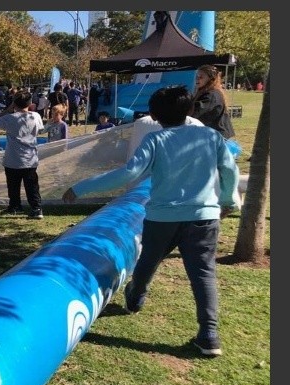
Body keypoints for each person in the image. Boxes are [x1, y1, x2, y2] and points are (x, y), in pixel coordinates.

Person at [61, 85, 239, 357]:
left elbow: (127, 173)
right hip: (203, 218)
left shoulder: (155, 141)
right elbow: (229, 170)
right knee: (203, 273)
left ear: (154, 117)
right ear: (191, 110)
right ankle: (209, 335)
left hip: (162, 219)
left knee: (148, 260)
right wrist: (228, 201)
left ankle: (135, 297)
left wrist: (81, 188)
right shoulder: (210, 137)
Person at [0, 92, 45, 219]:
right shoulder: (35, 116)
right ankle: (36, 208)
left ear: (14, 103)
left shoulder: (10, 118)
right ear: (30, 103)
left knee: (13, 186)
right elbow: (40, 129)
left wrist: (7, 110)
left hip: (13, 158)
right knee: (32, 186)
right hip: (30, 158)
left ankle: (15, 206)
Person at [191, 65, 235, 140]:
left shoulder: (211, 95)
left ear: (211, 79)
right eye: (196, 77)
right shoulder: (202, 91)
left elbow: (195, 113)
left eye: (201, 77)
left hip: (218, 136)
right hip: (211, 134)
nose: (197, 79)